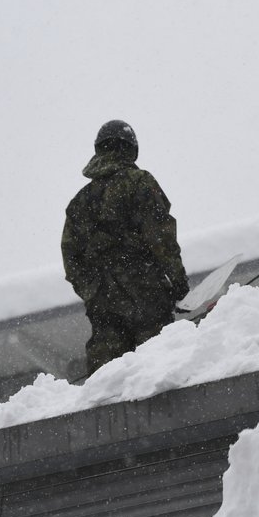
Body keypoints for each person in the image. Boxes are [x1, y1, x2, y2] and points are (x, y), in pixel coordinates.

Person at [62, 120, 189, 375]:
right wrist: (177, 281)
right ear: (131, 149)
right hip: (146, 293)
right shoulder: (139, 182)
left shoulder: (79, 202)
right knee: (157, 372)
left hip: (104, 305)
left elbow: (71, 260)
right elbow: (161, 238)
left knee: (107, 382)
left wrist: (93, 291)